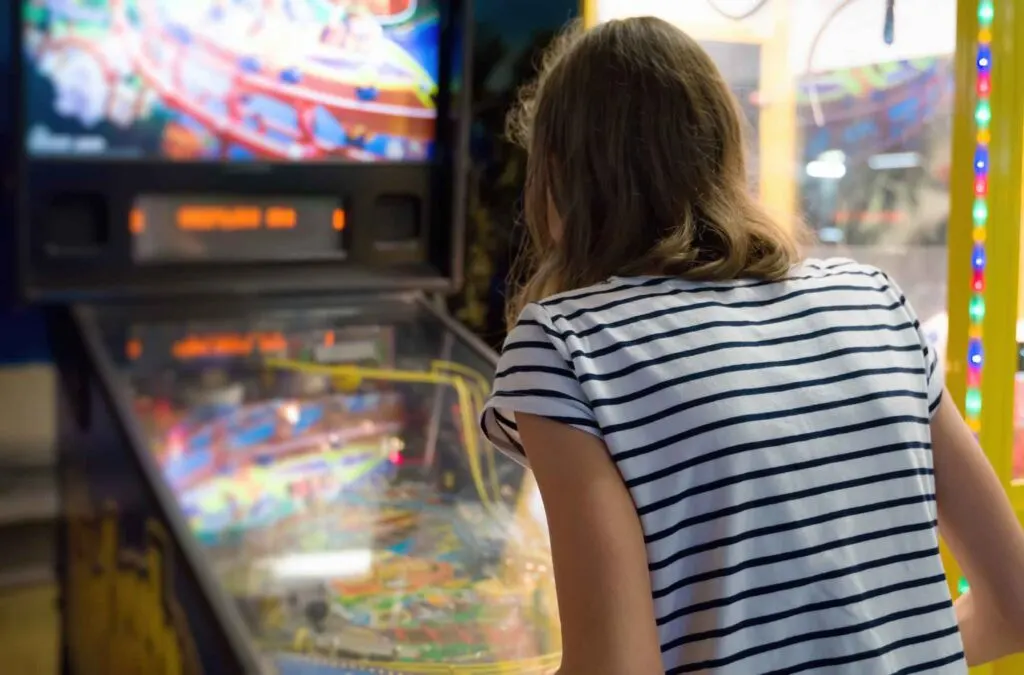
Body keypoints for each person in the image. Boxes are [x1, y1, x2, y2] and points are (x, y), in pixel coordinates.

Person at [479, 16, 1024, 675]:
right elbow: (1013, 605)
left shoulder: (567, 344)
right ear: (724, 152)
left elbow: (617, 666)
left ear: (558, 177)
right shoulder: (873, 299)